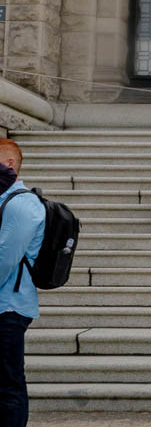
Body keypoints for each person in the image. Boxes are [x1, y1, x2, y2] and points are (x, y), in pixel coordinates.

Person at [0, 138, 45, 427]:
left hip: (9, 309)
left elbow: (5, 259)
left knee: (8, 385)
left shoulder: (23, 204)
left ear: (10, 164)